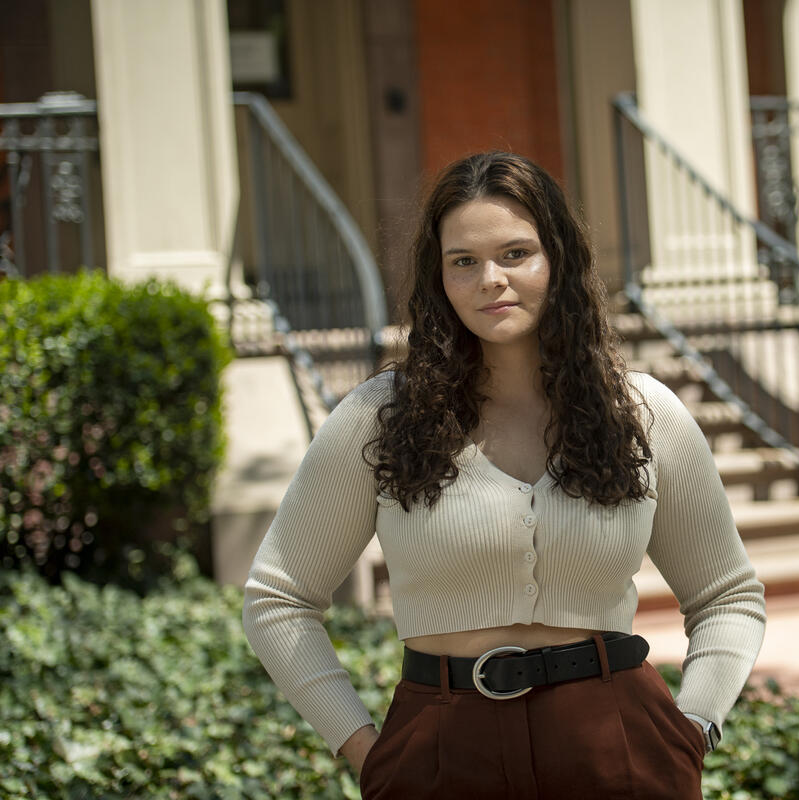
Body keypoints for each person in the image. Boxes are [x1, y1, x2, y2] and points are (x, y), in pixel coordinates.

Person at [242, 151, 766, 799]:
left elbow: (727, 596)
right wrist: (365, 750)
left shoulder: (644, 413)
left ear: (559, 261)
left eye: (516, 253)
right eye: (463, 261)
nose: (491, 278)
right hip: (440, 753)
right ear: (439, 279)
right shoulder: (378, 417)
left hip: (620, 746)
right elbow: (278, 598)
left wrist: (694, 728)